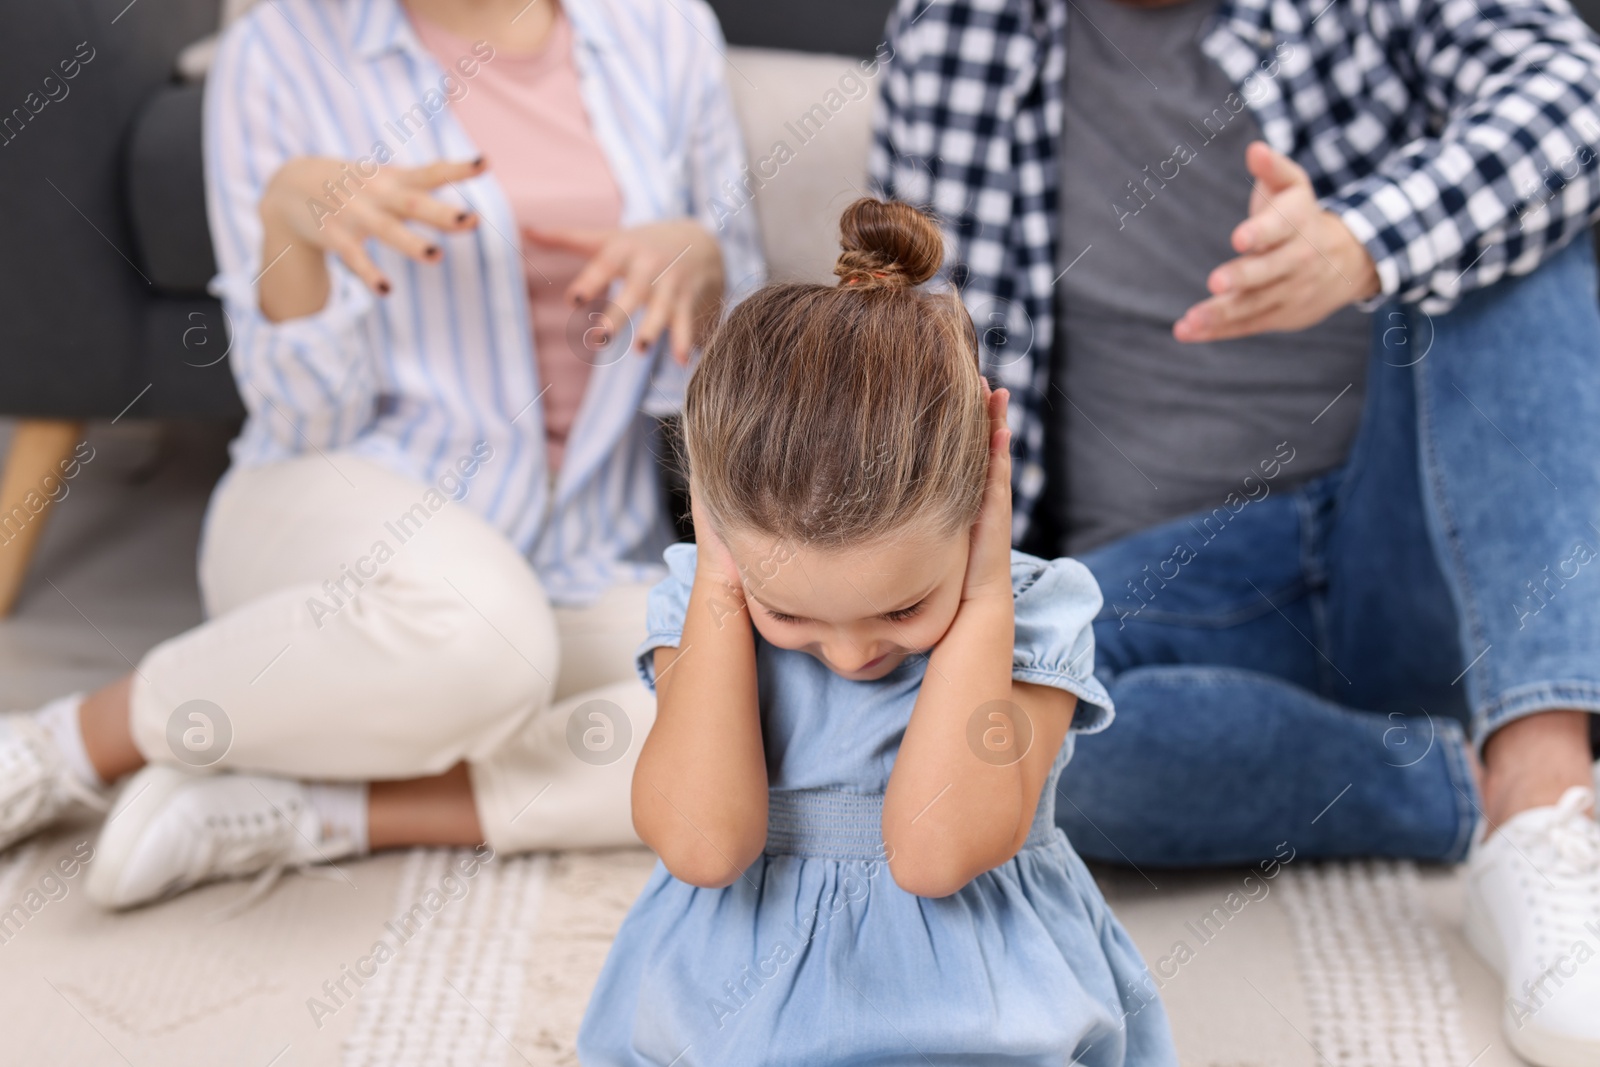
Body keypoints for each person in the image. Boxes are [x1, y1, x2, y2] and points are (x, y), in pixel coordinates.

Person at [873, 0, 1600, 1062]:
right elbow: (914, 354)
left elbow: (1579, 98)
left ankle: (1544, 793)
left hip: (1416, 536)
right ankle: (1454, 787)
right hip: (1163, 583)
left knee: (1517, 238)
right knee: (971, 745)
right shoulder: (953, 30)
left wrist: (1361, 242)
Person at [0, 0, 761, 909]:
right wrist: (291, 226)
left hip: (581, 554)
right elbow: (306, 416)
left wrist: (709, 270)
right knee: (486, 642)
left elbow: (728, 391)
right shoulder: (276, 52)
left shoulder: (665, 28)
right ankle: (73, 743)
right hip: (337, 508)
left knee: (770, 710)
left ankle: (319, 806)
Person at [575, 199, 1177, 1067]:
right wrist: (718, 579)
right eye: (794, 614)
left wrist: (979, 608)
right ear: (716, 523)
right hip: (731, 1029)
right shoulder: (711, 598)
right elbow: (706, 846)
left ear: (980, 508)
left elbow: (935, 853)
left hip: (974, 1029)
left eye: (900, 609)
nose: (854, 655)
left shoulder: (1036, 617)